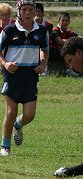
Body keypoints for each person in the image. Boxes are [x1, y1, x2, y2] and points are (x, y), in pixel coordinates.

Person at [0, 0, 49, 156]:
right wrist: (6, 63)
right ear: (19, 12)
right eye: (24, 10)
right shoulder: (8, 31)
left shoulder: (42, 31)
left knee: (29, 115)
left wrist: (43, 64)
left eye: (30, 9)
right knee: (10, 111)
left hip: (30, 77)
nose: (27, 13)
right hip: (13, 76)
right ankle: (5, 146)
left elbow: (45, 50)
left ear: (35, 12)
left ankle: (17, 125)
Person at [35, 2, 53, 75]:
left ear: (42, 13)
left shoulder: (48, 25)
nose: (37, 13)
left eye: (39, 11)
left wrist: (38, 25)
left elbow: (45, 38)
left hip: (44, 45)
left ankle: (43, 70)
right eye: (35, 11)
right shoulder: (29, 24)